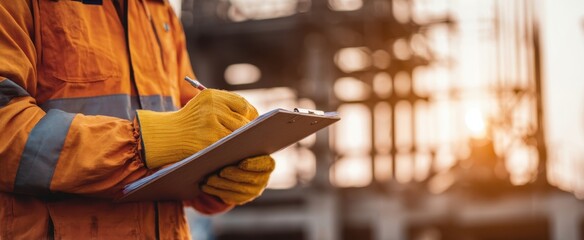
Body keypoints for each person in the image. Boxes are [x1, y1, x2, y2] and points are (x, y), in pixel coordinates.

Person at [0, 0, 274, 239]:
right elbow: (6, 129)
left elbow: (188, 133)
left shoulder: (158, 9)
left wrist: (223, 172)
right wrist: (143, 144)